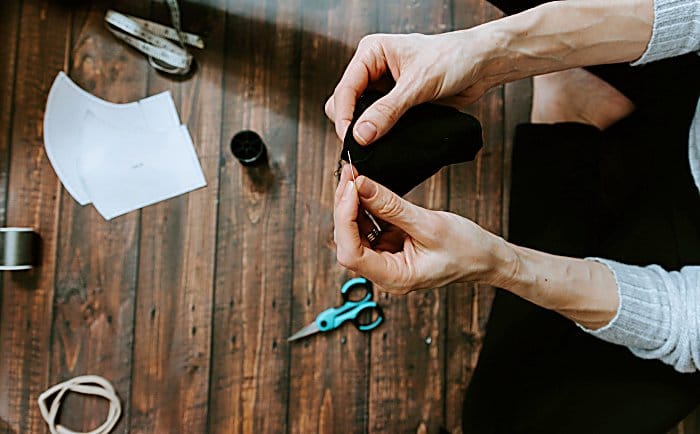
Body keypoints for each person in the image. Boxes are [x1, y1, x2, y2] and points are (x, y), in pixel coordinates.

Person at [326, 0, 700, 432]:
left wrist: (501, 263)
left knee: (509, 422)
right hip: (674, 54)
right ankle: (577, 90)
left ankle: (572, 118)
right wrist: (485, 52)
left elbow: (685, 321)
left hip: (687, 244)